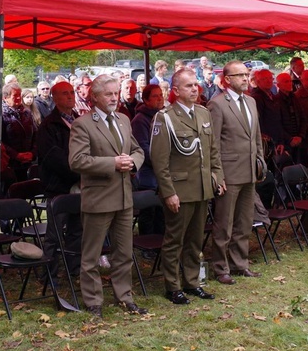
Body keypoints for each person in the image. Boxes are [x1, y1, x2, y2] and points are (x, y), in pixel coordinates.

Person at [68, 74, 146, 318]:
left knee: (123, 253)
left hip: (124, 198)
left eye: (116, 92)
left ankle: (124, 297)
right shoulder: (83, 124)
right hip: (99, 199)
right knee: (92, 256)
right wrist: (111, 163)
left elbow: (137, 150)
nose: (114, 97)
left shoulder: (123, 119)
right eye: (108, 94)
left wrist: (133, 162)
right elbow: (77, 160)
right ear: (95, 97)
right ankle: (93, 301)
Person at [151, 68, 223, 304]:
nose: (194, 89)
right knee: (175, 240)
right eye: (188, 86)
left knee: (195, 239)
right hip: (180, 190)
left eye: (195, 85)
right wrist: (168, 192)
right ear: (175, 91)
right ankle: (173, 286)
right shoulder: (166, 117)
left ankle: (192, 282)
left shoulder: (203, 113)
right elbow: (159, 161)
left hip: (202, 187)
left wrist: (217, 177)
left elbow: (213, 151)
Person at [208, 61, 264, 284]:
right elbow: (213, 144)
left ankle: (240, 263)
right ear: (227, 79)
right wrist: (217, 175)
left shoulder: (251, 101)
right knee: (224, 222)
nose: (244, 78)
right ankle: (221, 267)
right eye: (239, 75)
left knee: (244, 221)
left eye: (247, 74)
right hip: (229, 172)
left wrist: (260, 161)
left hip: (250, 170)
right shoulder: (217, 104)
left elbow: (256, 136)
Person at [37, 81, 82, 277]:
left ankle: (75, 268)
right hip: (58, 187)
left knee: (77, 231)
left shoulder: (79, 120)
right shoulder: (48, 126)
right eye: (65, 93)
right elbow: (53, 158)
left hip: (80, 185)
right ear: (54, 98)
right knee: (54, 234)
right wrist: (81, 172)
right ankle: (49, 272)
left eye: (72, 92)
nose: (70, 96)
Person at [131, 84, 166, 236]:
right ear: (145, 100)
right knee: (148, 214)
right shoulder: (140, 120)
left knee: (161, 213)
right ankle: (147, 246)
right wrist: (161, 163)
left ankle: (159, 242)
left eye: (161, 95)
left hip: (162, 174)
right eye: (154, 96)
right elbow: (142, 148)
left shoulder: (163, 116)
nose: (159, 99)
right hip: (148, 176)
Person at [0, 83, 38, 182]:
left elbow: (35, 134)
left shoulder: (27, 113)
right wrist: (16, 155)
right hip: (10, 163)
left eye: (19, 95)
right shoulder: (0, 115)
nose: (18, 98)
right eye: (15, 95)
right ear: (5, 98)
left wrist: (32, 153)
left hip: (27, 161)